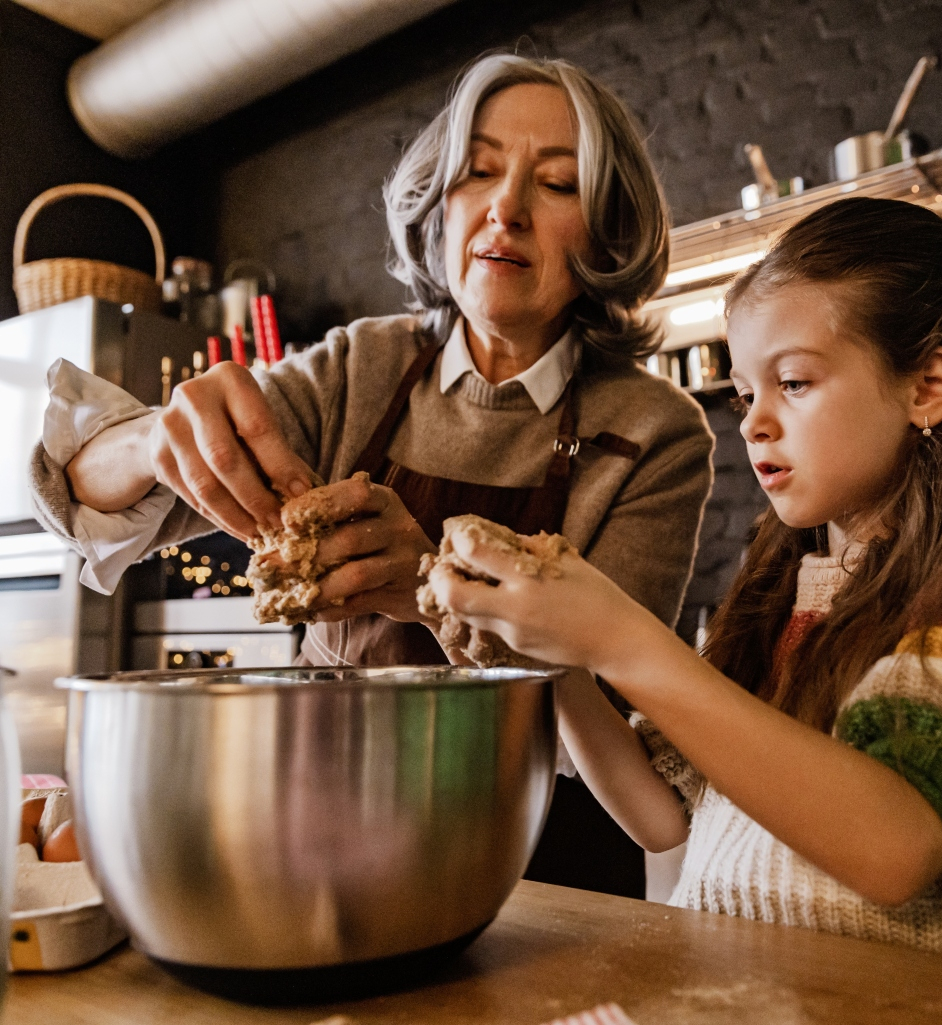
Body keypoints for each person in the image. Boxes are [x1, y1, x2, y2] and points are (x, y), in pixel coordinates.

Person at [29, 53, 714, 898]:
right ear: (440, 201)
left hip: (543, 865)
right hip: (331, 828)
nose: (506, 208)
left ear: (606, 230)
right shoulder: (361, 367)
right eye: (479, 171)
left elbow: (606, 728)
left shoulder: (654, 432)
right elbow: (78, 498)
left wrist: (427, 583)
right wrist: (149, 441)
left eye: (559, 184)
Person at [426, 196, 942, 964]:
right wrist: (558, 661)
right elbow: (659, 815)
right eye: (746, 394)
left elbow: (896, 849)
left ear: (928, 386)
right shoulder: (786, 587)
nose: (751, 423)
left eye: (795, 383)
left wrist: (623, 637)